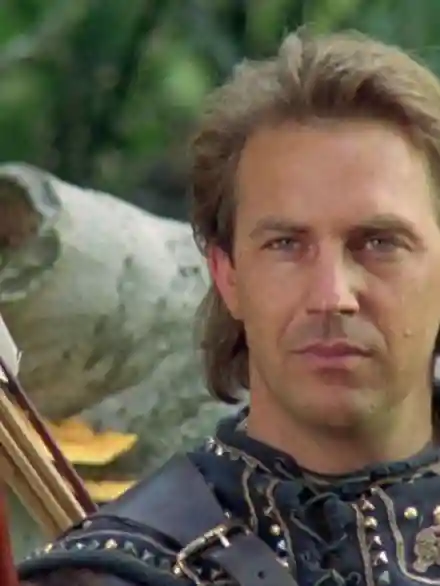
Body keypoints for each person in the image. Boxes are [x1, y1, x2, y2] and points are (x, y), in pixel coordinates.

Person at [17, 26, 440, 586]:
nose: (332, 296)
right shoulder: (112, 575)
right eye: (286, 245)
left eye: (379, 242)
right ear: (227, 274)